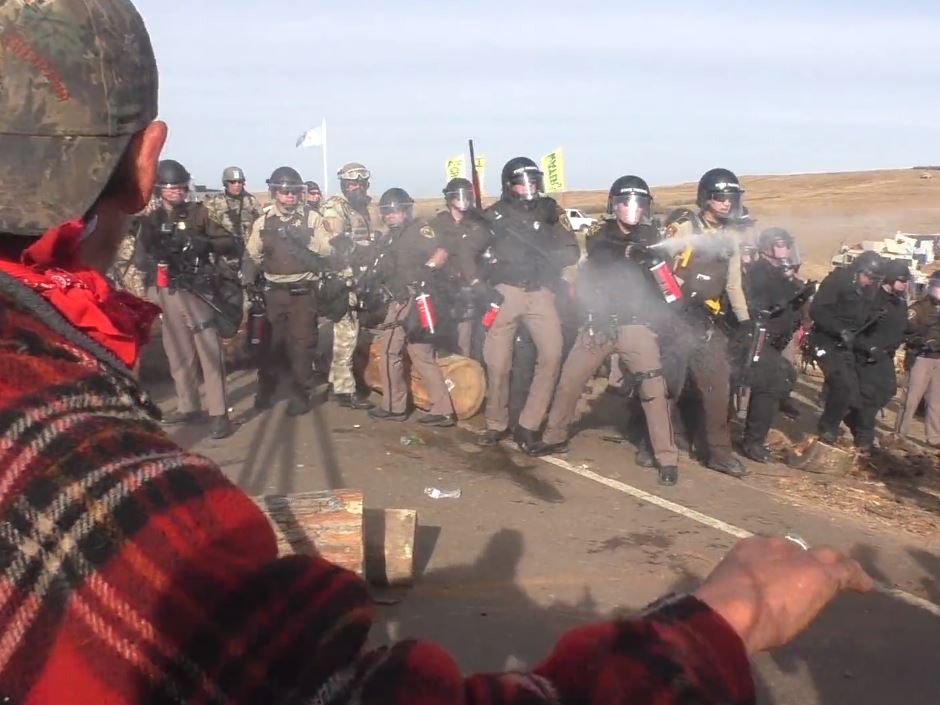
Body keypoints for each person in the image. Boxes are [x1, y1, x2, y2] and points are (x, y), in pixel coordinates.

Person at [0, 2, 877, 702]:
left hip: (577, 307)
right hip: (492, 308)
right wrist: (713, 627)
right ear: (145, 165)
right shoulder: (74, 458)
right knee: (507, 360)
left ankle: (646, 440)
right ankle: (516, 428)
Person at [531, 176, 680, 486]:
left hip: (637, 324)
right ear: (614, 204)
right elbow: (600, 250)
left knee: (654, 389)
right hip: (598, 324)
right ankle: (554, 436)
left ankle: (666, 457)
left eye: (639, 203)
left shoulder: (653, 234)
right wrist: (632, 252)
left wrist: (654, 256)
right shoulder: (601, 230)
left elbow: (664, 269)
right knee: (570, 380)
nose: (632, 209)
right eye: (626, 202)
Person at [479, 157, 580, 452]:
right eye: (523, 183)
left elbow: (571, 246)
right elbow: (474, 251)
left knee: (551, 355)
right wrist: (483, 279)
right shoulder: (493, 215)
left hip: (540, 292)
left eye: (533, 182)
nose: (529, 188)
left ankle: (529, 424)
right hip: (506, 292)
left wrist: (554, 258)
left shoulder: (550, 210)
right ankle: (496, 423)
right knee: (498, 363)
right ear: (509, 185)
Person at [134, 158, 236, 439]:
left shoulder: (199, 214)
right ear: (160, 190)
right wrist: (155, 260)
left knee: (209, 352)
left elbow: (230, 243)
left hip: (197, 289)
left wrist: (202, 244)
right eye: (170, 188)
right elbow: (139, 258)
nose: (176, 192)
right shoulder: (151, 221)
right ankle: (188, 405)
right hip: (167, 291)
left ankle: (218, 413)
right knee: (177, 352)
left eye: (180, 187)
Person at [663, 168, 750, 477]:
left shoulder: (730, 239)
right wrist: (673, 305)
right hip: (675, 316)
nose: (727, 204)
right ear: (706, 198)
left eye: (731, 198)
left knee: (718, 385)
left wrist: (744, 321)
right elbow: (662, 268)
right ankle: (654, 444)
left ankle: (719, 453)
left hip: (707, 321)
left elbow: (733, 284)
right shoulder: (685, 228)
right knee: (668, 383)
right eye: (721, 198)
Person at [244, 167, 332, 415]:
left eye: (294, 192)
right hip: (274, 292)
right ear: (274, 193)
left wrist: (306, 239)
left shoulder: (311, 219)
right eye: (284, 192)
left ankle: (300, 394)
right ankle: (266, 388)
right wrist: (249, 279)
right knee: (271, 344)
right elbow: (252, 254)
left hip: (303, 292)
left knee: (302, 346)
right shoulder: (264, 222)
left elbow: (327, 250)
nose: (290, 197)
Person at [368, 188, 456, 426]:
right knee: (417, 354)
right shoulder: (389, 237)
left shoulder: (420, 230)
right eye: (386, 212)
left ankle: (396, 406)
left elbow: (441, 251)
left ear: (406, 211)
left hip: (412, 297)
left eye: (396, 211)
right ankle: (440, 409)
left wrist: (426, 271)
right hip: (400, 296)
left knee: (393, 351)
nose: (391, 216)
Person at [737, 229, 814, 462]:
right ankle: (753, 441)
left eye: (788, 246)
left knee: (778, 381)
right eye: (782, 246)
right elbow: (757, 302)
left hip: (778, 339)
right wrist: (783, 302)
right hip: (760, 337)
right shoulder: (760, 271)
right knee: (767, 386)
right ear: (769, 246)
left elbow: (794, 296)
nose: (787, 251)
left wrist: (803, 295)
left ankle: (757, 436)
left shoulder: (782, 272)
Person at [810, 250, 887, 446]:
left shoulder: (870, 292)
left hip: (847, 345)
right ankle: (827, 427)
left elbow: (861, 327)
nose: (870, 282)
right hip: (824, 339)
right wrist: (839, 329)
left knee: (855, 392)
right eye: (868, 276)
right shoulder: (837, 281)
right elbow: (817, 310)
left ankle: (854, 432)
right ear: (857, 271)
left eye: (874, 279)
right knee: (841, 384)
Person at [321, 162, 375, 409]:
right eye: (350, 184)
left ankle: (336, 382)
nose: (354, 188)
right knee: (347, 334)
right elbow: (337, 241)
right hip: (341, 278)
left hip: (358, 278)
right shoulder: (335, 208)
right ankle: (344, 390)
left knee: (349, 332)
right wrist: (363, 251)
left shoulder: (362, 208)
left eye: (358, 184)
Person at [842, 259, 909, 451]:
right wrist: (868, 348)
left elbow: (901, 327)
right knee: (869, 397)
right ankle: (865, 439)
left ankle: (852, 415)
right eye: (901, 280)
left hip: (886, 355)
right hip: (868, 356)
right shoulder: (873, 299)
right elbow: (856, 329)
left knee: (888, 390)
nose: (905, 284)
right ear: (890, 278)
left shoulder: (900, 302)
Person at [429, 177, 491, 357]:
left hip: (471, 288)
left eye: (466, 195)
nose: (463, 200)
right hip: (443, 288)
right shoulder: (437, 224)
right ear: (449, 199)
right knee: (442, 338)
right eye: (458, 196)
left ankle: (467, 372)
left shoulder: (479, 223)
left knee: (468, 339)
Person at [896, 272, 940, 448]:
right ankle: (899, 434)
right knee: (911, 399)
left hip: (938, 359)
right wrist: (924, 342)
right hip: (921, 357)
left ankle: (935, 438)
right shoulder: (919, 308)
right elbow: (907, 332)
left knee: (936, 401)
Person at [203, 165, 262, 252]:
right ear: (226, 183)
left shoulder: (251, 201)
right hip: (223, 254)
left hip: (247, 253)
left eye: (240, 182)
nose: (237, 185)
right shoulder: (214, 203)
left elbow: (261, 224)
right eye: (233, 182)